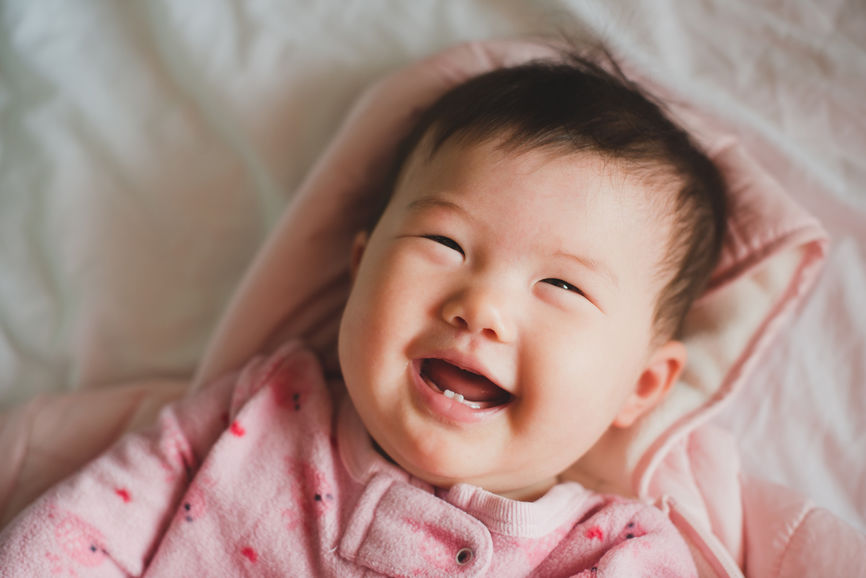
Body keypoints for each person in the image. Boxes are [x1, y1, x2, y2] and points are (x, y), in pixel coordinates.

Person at [0, 51, 725, 576]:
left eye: (562, 287)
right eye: (445, 242)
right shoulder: (263, 415)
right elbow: (81, 535)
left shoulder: (613, 555)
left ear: (643, 384)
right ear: (360, 266)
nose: (482, 307)